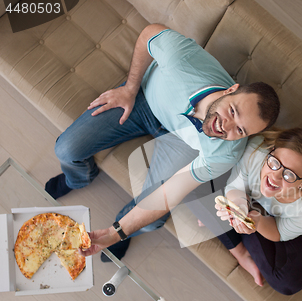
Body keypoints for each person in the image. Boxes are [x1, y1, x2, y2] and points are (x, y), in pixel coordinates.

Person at [44, 24, 280, 260]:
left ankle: (121, 231)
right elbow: (149, 34)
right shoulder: (184, 62)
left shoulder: (226, 153)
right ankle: (78, 179)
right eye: (232, 111)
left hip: (181, 142)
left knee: (152, 221)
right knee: (66, 149)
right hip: (144, 100)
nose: (224, 126)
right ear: (231, 89)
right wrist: (129, 88)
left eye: (239, 129)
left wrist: (116, 233)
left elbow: (170, 192)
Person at [213, 128, 302, 295]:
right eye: (276, 163)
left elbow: (279, 232)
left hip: (295, 226)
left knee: (288, 283)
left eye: (289, 175)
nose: (275, 177)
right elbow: (235, 187)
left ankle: (216, 221)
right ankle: (239, 250)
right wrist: (240, 208)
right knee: (193, 182)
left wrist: (257, 222)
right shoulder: (256, 152)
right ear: (271, 150)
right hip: (255, 204)